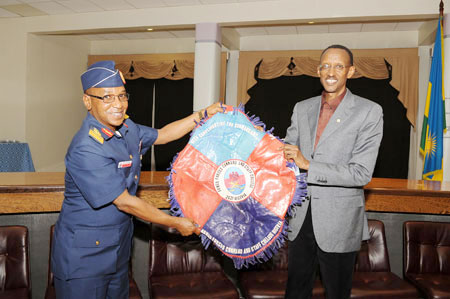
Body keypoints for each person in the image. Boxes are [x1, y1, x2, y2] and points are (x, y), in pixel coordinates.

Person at [51, 60, 223, 299]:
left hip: (118, 251)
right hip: (84, 260)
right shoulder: (87, 147)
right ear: (87, 101)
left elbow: (162, 135)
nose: (118, 105)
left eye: (122, 96)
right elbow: (125, 202)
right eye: (107, 98)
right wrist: (175, 222)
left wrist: (202, 115)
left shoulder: (126, 127)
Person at [282, 45, 383, 299]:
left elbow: (361, 173)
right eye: (326, 65)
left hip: (340, 221)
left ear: (351, 71)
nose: (331, 71)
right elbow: (286, 153)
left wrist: (308, 165)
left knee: (337, 293)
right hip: (301, 217)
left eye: (339, 66)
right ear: (317, 70)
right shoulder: (301, 107)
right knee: (295, 291)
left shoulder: (369, 111)